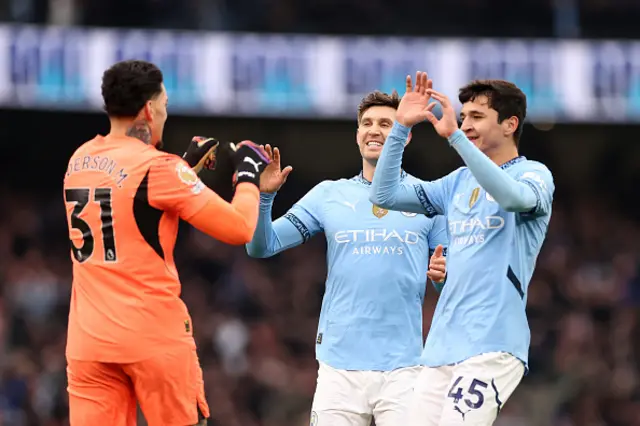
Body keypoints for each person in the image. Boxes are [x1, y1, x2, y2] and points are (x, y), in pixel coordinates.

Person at [63, 59, 269, 426]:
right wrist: (248, 173)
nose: (165, 114)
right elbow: (240, 228)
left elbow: (129, 206)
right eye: (165, 106)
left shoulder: (80, 158)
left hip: (89, 342)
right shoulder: (161, 168)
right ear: (148, 108)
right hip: (152, 337)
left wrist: (184, 172)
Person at [245, 90, 448, 426]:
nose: (374, 130)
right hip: (339, 366)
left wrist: (442, 278)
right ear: (357, 135)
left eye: (386, 123)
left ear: (405, 135)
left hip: (404, 368)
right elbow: (261, 247)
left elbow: (451, 286)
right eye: (367, 123)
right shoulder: (329, 194)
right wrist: (265, 199)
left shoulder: (427, 199)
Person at [370, 72, 555, 426]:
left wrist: (455, 137)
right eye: (464, 116)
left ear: (509, 124)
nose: (465, 123)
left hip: (493, 344)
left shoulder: (534, 175)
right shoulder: (456, 183)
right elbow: (384, 195)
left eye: (477, 117)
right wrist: (400, 129)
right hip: (441, 346)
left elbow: (512, 198)